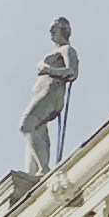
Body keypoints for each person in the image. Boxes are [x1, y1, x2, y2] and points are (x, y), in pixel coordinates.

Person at [21, 18, 79, 174]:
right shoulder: (58, 51)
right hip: (43, 92)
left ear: (62, 29)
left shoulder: (67, 49)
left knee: (27, 124)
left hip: (52, 92)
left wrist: (48, 69)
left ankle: (44, 169)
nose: (51, 33)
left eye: (54, 29)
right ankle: (33, 172)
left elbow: (72, 72)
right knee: (37, 130)